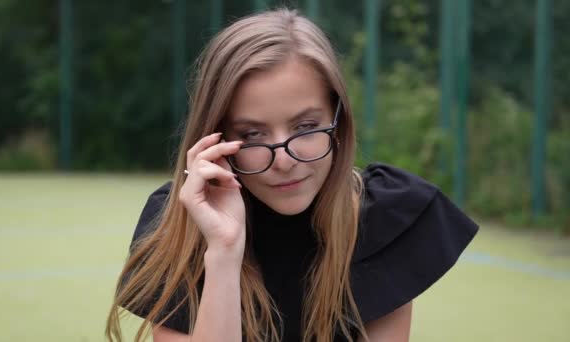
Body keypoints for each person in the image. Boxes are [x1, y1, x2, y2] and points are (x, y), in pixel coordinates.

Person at [105, 8, 478, 342]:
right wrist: (223, 252)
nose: (284, 160)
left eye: (305, 127)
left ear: (338, 121)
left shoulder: (379, 219)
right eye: (252, 134)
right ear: (215, 136)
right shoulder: (179, 226)